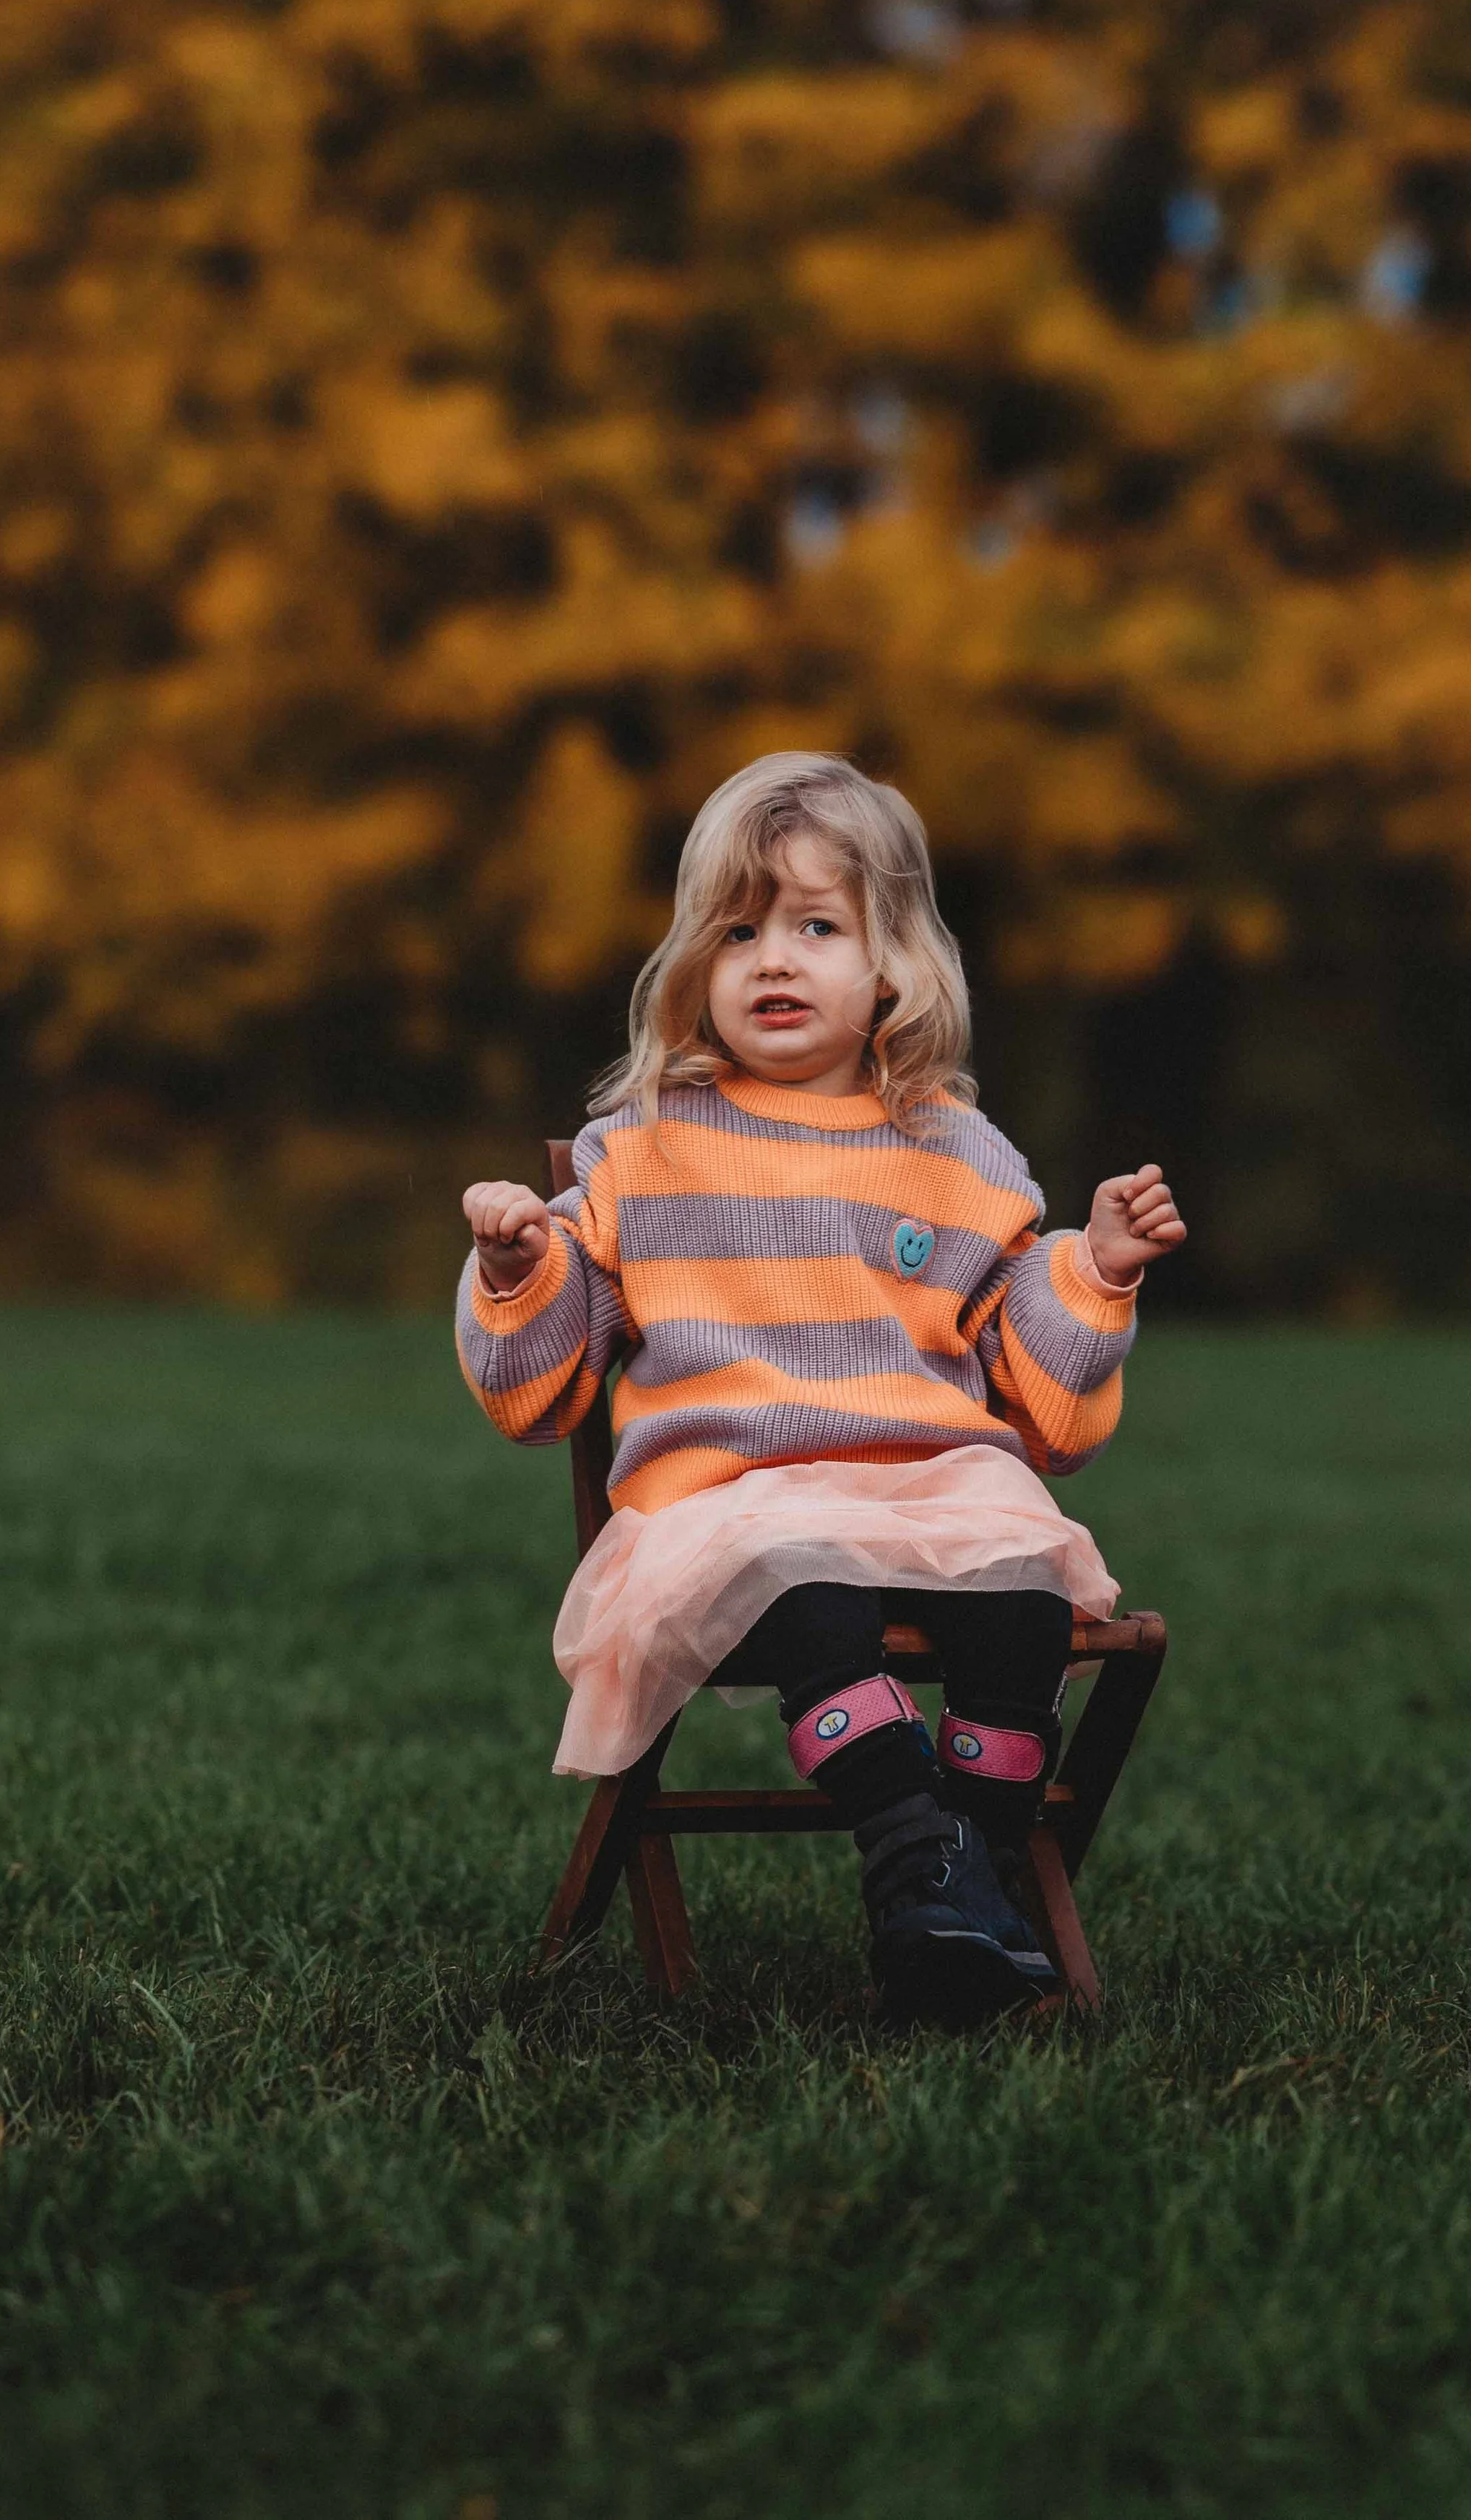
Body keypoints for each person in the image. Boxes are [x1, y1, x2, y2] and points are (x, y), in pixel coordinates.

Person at [457, 752, 1186, 2027]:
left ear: (893, 962)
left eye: (815, 927)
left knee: (1024, 1590)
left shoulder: (956, 1152)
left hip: (933, 1489)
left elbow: (1038, 1400)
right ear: (694, 961)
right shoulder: (648, 1147)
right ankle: (918, 1859)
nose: (772, 961)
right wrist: (520, 1268)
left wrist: (1099, 1270)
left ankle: (972, 1874)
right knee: (805, 1580)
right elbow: (543, 1389)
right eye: (738, 932)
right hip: (732, 1505)